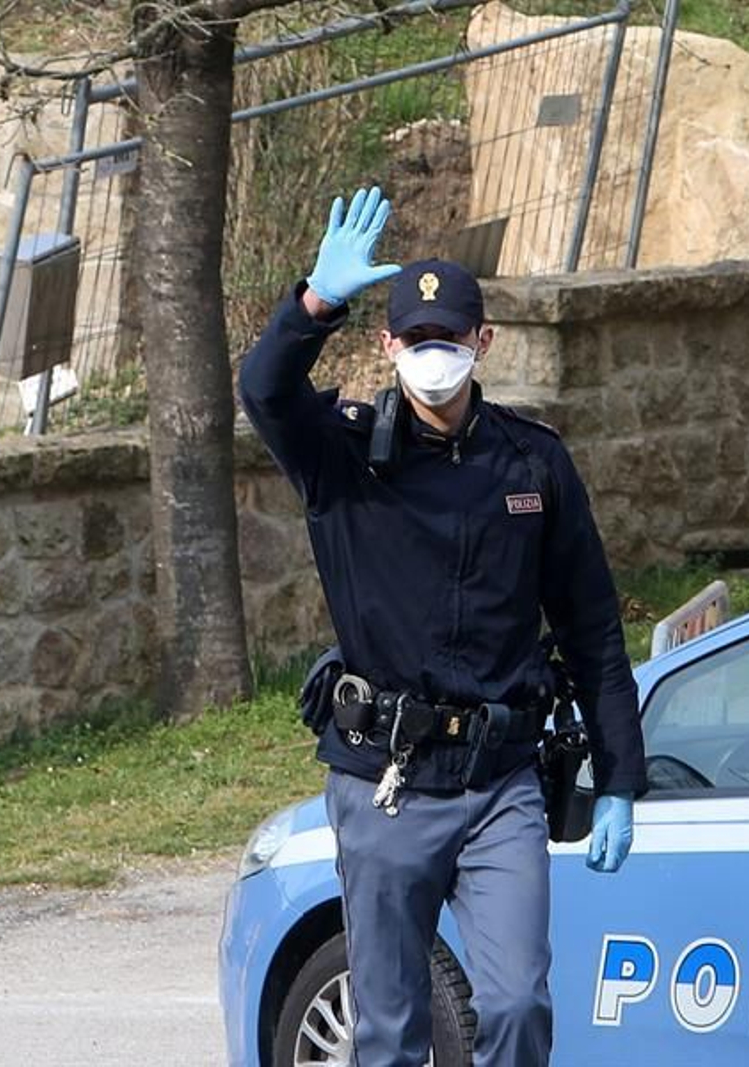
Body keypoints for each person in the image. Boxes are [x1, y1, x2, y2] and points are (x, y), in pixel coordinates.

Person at [238, 186, 648, 1067]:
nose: (435, 356)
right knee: (387, 1030)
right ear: (388, 347)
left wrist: (620, 774)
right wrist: (316, 300)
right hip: (387, 780)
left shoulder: (532, 459)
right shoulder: (340, 456)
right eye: (416, 340)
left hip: (500, 781)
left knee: (515, 1005)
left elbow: (591, 626)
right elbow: (264, 389)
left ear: (482, 343)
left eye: (450, 340)